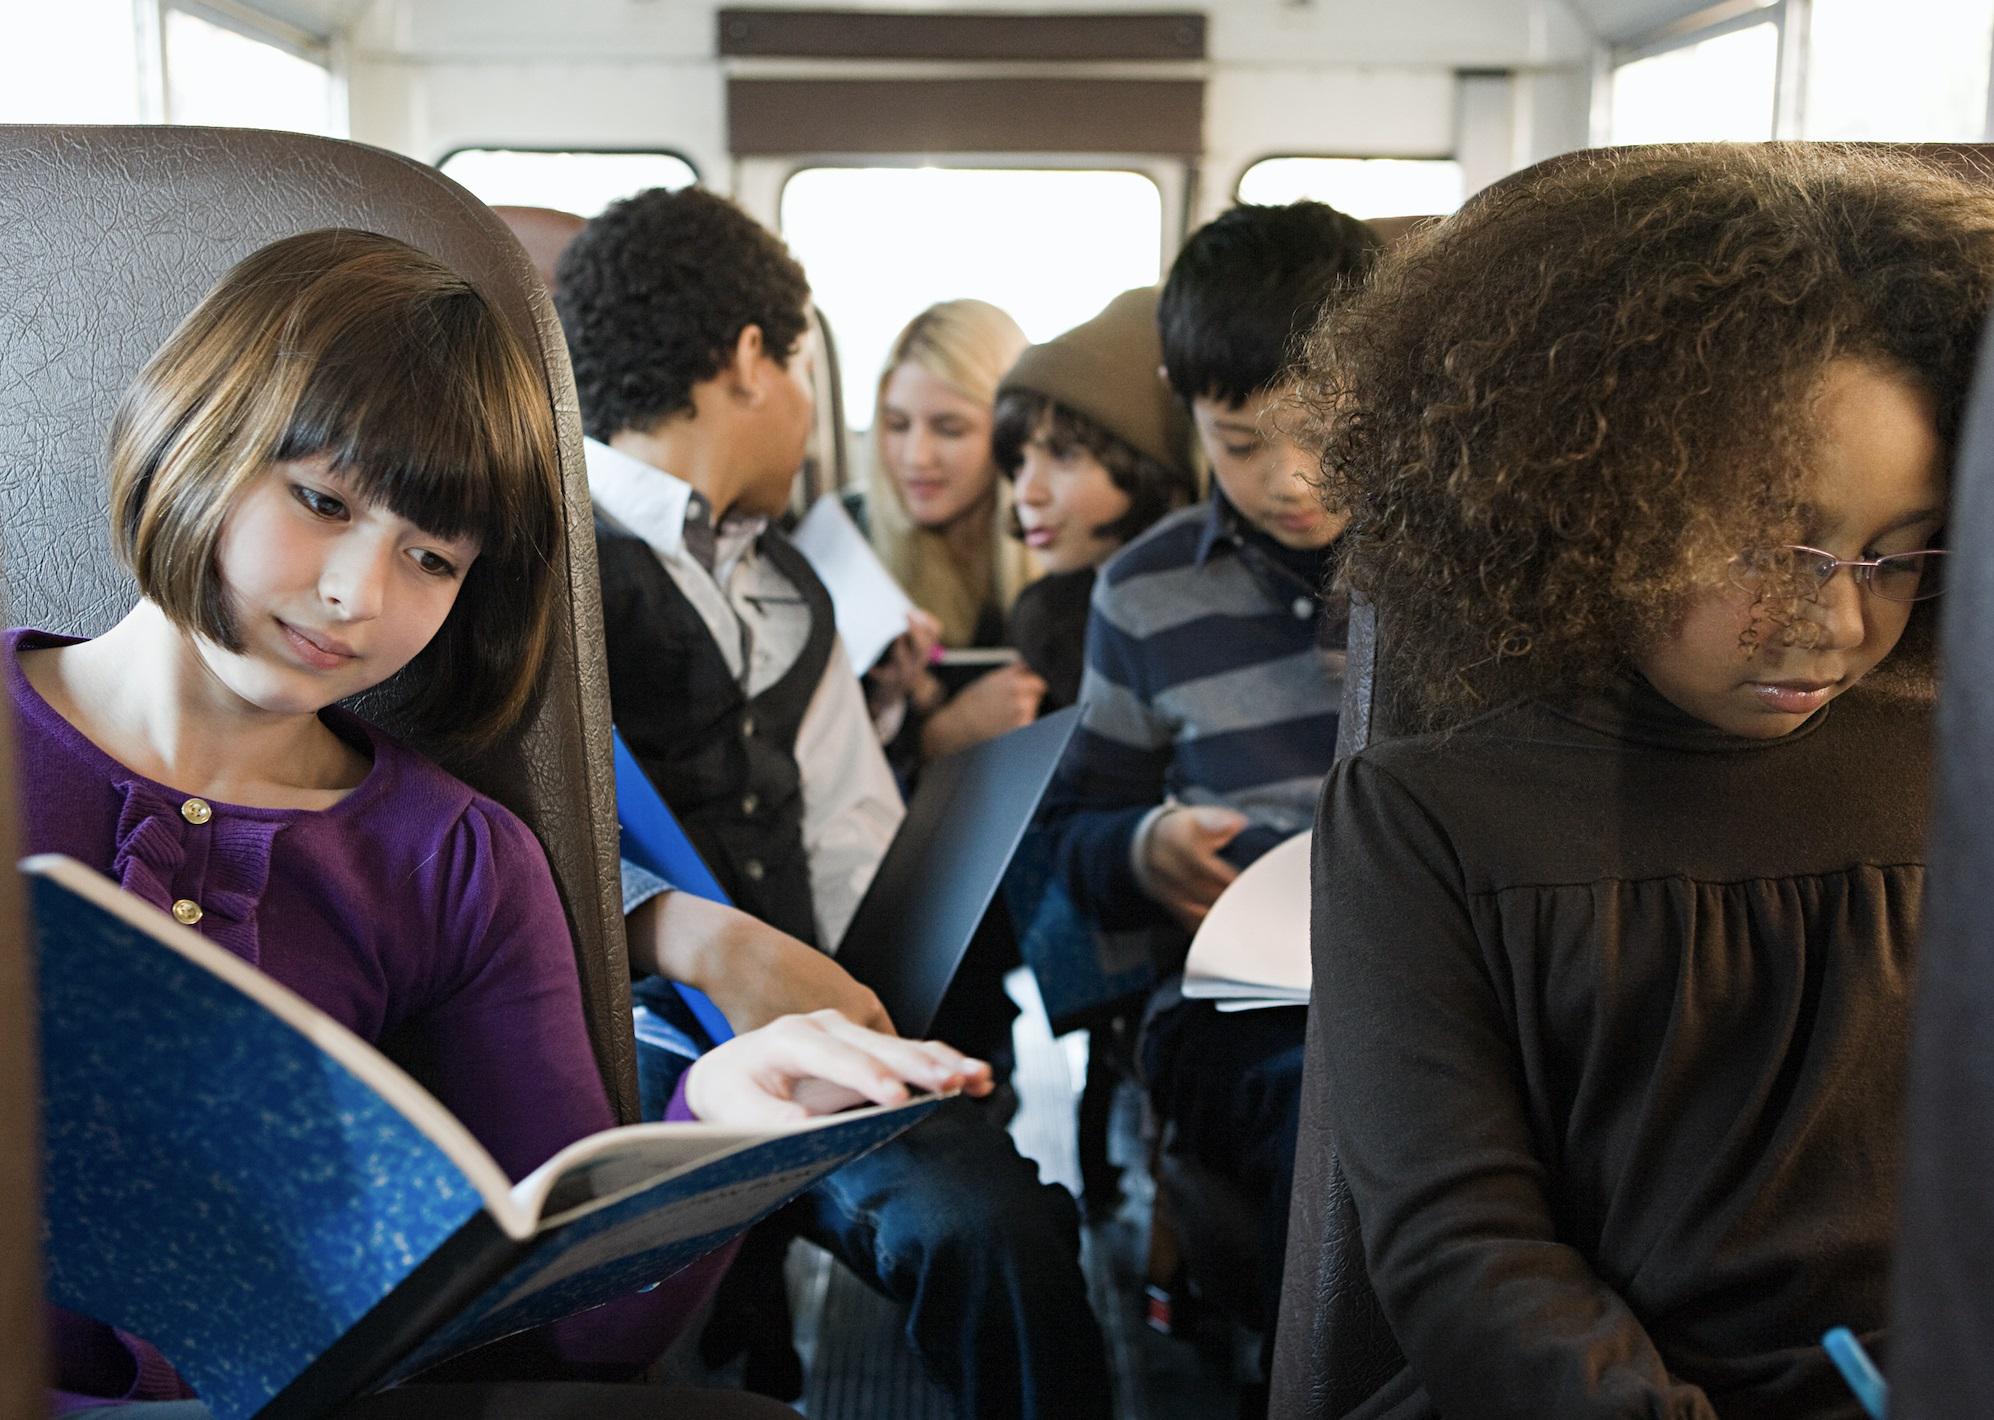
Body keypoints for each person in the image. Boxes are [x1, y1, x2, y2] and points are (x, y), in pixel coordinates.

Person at [22, 229, 987, 1416]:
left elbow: (582, 1327)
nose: (356, 596)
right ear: (193, 431)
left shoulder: (456, 861)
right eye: (320, 500)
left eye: (431, 558)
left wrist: (720, 1125)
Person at [1298, 144, 1994, 1417]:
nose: (1837, 623)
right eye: (1769, 549)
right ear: (1593, 503)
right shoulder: (1427, 821)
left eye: (1894, 557)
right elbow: (1465, 1251)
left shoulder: (1956, 779)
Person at [554, 187, 1111, 1420]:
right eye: (805, 369)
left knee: (996, 1232)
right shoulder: (539, 563)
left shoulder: (791, 581)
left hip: (819, 1021)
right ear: (753, 360)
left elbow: (850, 826)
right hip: (617, 1037)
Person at [1036, 200, 1380, 1338]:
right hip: (1237, 1000)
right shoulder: (1144, 593)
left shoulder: (1453, 573)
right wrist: (1142, 851)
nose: (1291, 479)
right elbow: (1076, 832)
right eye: (1240, 443)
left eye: (1324, 432)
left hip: (1423, 968)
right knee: (1333, 1113)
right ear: (1184, 407)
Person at [992, 286, 1198, 710]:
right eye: (1019, 462)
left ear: (1146, 464)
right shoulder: (1048, 620)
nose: (1028, 492)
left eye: (1063, 455)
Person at [864, 300, 1047, 761]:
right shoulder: (858, 555)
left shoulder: (1062, 570)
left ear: (1010, 434)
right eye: (897, 425)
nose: (915, 457)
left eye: (949, 429)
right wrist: (939, 734)